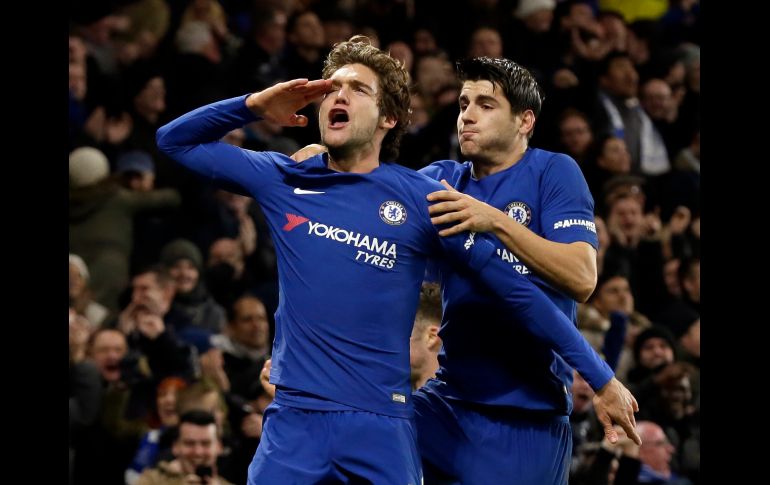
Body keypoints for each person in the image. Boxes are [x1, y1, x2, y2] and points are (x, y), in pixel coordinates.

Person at [157, 36, 636, 484]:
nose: (337, 97)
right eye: (331, 89)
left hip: (404, 423)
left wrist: (601, 378)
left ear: (389, 117)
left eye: (357, 89)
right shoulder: (286, 178)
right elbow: (173, 141)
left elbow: (519, 293)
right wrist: (254, 106)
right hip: (308, 419)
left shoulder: (435, 200)